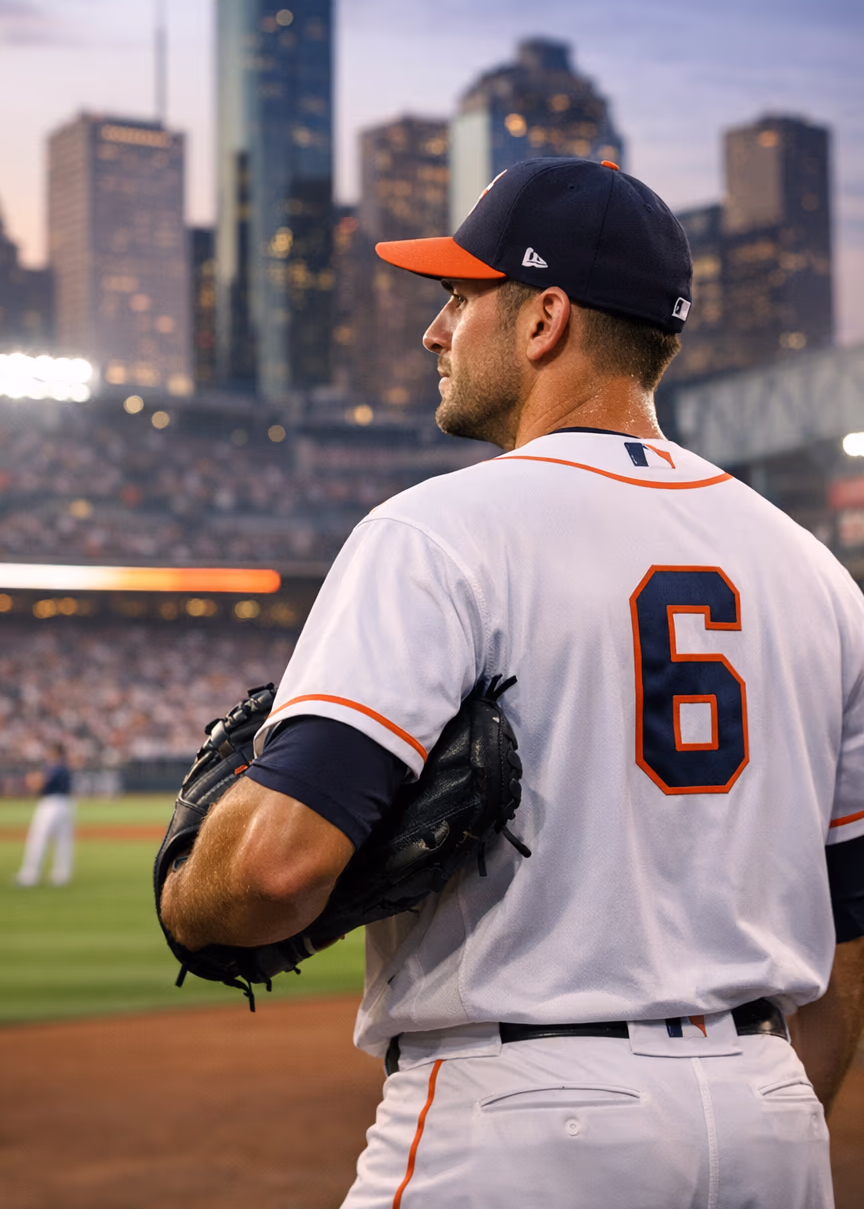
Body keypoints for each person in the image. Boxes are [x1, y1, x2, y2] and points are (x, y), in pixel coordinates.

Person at [160, 157, 864, 1208]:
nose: (434, 333)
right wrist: (757, 1119)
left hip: (523, 1114)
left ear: (542, 319)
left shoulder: (436, 534)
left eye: (457, 297)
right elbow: (849, 938)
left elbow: (272, 874)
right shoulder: (815, 573)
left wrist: (187, 899)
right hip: (770, 1118)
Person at [16, 744, 74, 887]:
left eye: (50, 751)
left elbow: (40, 784)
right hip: (66, 804)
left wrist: (31, 780)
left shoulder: (55, 767)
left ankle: (30, 875)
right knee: (63, 841)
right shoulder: (65, 767)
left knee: (38, 839)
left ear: (56, 753)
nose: (48, 754)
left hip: (51, 804)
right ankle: (61, 875)